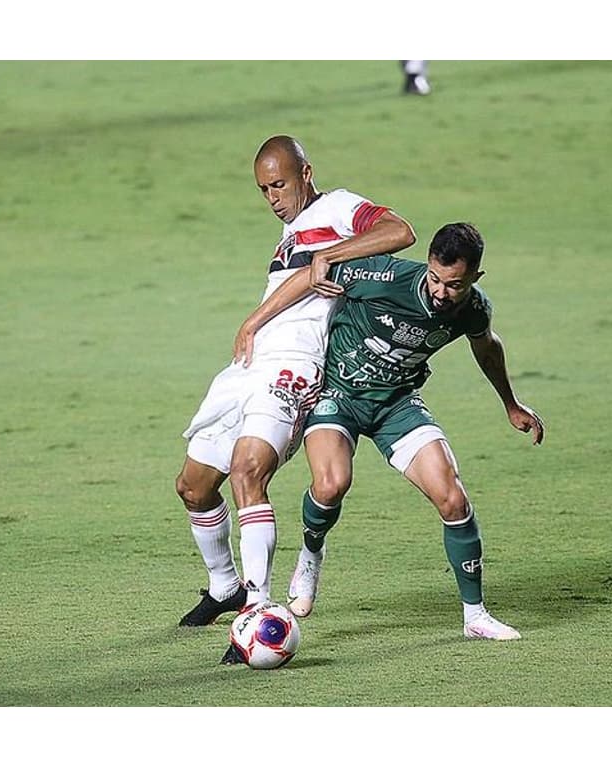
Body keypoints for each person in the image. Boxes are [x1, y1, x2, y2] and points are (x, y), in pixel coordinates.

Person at [233, 222, 544, 642]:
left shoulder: (474, 308)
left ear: (475, 278)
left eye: (454, 284)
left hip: (396, 403)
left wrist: (510, 403)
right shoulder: (381, 276)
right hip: (338, 394)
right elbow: (309, 275)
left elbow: (486, 344)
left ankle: (475, 616)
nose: (440, 292)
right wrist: (253, 323)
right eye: (435, 278)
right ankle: (311, 550)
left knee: (453, 499)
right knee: (330, 485)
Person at [175, 136, 416, 661]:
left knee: (247, 471)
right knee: (194, 488)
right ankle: (226, 588)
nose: (273, 198)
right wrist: (258, 320)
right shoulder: (290, 234)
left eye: (279, 184)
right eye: (263, 190)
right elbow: (307, 279)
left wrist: (332, 256)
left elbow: (400, 231)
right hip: (250, 363)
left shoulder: (340, 207)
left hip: (294, 366)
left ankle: (259, 607)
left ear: (306, 173)